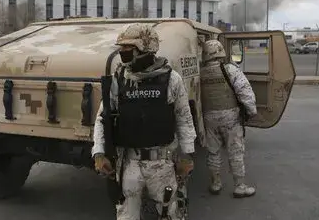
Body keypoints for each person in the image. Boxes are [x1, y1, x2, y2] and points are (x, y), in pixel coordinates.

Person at [91, 23, 197, 220]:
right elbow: (102, 119)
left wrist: (187, 155)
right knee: (126, 216)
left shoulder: (172, 79)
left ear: (145, 50)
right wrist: (98, 152)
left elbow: (184, 119)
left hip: (162, 164)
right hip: (129, 163)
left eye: (127, 50)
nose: (122, 54)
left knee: (170, 213)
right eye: (121, 49)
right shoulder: (118, 80)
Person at [200, 39, 258, 198]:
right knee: (235, 152)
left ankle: (215, 183)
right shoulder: (230, 70)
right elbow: (245, 92)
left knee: (213, 153)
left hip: (209, 117)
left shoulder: (200, 72)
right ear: (220, 52)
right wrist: (251, 111)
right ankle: (240, 186)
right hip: (230, 117)